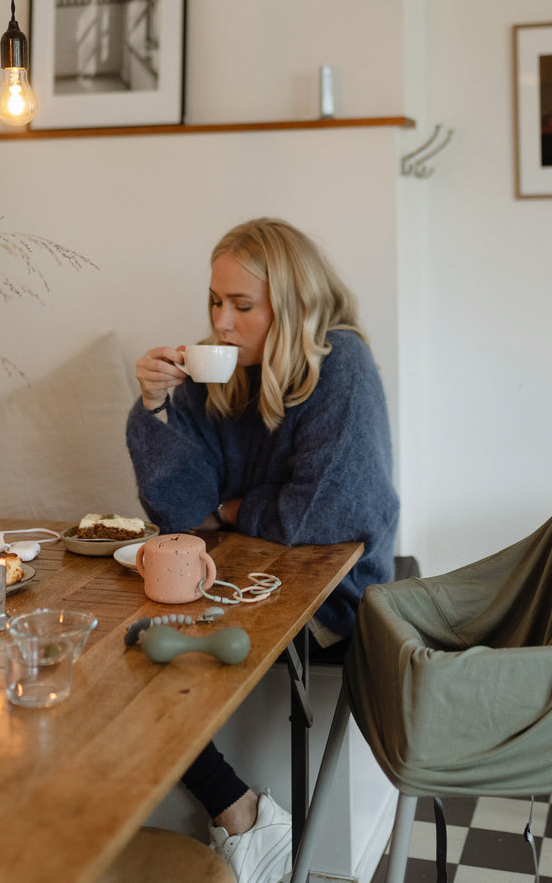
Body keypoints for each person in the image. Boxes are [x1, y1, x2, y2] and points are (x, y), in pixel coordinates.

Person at [126, 217, 399, 883]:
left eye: (241, 306)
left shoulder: (341, 362)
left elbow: (322, 515)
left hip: (336, 596)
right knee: (128, 639)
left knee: (148, 645)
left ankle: (246, 821)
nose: (221, 321)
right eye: (215, 302)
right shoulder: (215, 374)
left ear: (293, 303)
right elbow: (181, 510)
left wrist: (235, 508)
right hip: (244, 578)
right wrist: (156, 407)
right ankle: (240, 811)